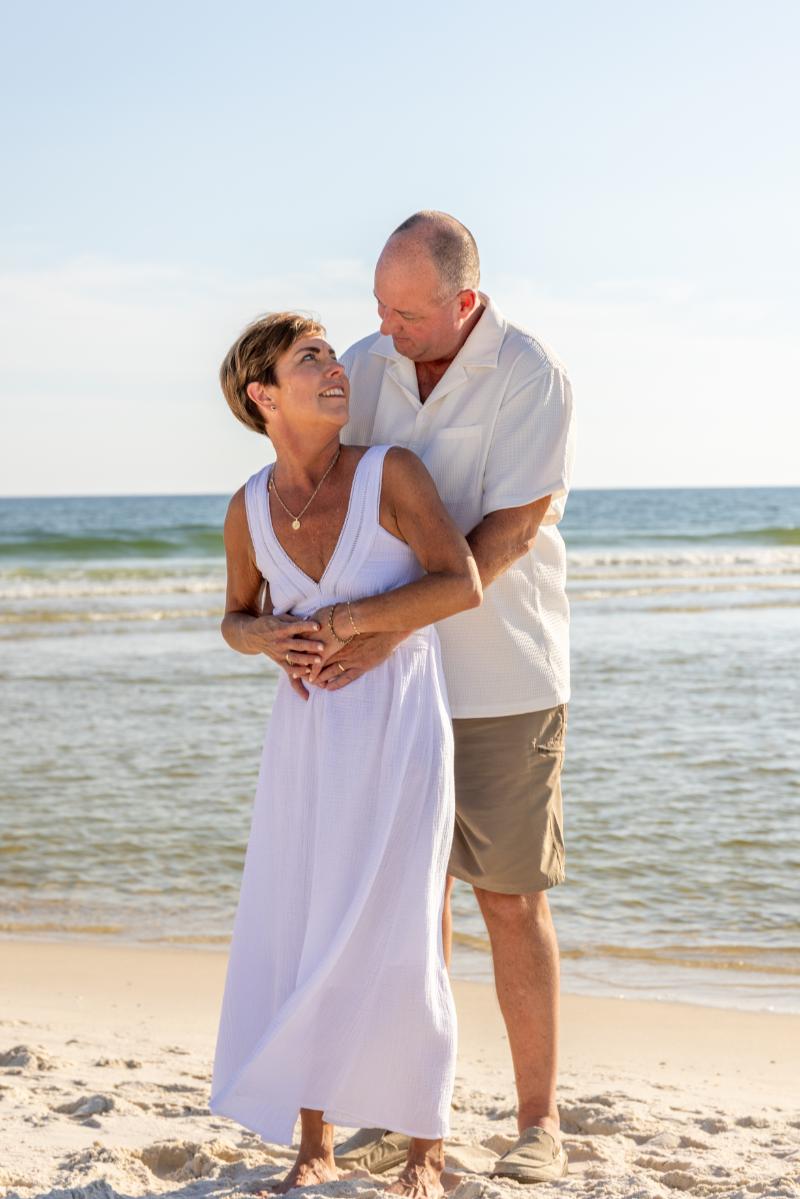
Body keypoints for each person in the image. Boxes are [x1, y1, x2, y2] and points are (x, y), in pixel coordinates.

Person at [315, 212, 575, 1184]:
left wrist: (382, 621)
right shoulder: (367, 361)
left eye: (410, 312)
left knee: (508, 899)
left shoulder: (527, 374)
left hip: (504, 675)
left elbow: (507, 533)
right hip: (391, 677)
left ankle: (537, 1120)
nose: (387, 329)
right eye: (378, 306)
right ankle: (406, 1108)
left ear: (464, 301)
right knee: (409, 900)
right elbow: (324, 484)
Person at [208, 311, 482, 1199]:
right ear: (264, 394)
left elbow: (461, 582)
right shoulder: (247, 507)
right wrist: (268, 640)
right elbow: (235, 618)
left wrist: (350, 622)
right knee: (306, 923)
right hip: (308, 739)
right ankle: (315, 1146)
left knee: (407, 929)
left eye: (332, 355)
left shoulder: (390, 474)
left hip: (399, 725)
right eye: (311, 360)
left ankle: (425, 1155)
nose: (337, 370)